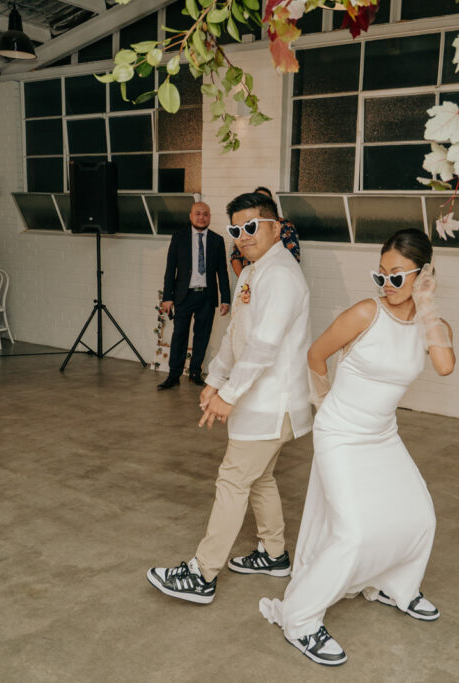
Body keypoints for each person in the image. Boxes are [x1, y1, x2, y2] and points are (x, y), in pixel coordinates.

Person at [258, 228, 456, 666]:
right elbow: (315, 354)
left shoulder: (432, 325)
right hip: (341, 433)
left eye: (397, 275)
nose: (386, 284)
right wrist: (324, 401)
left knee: (420, 514)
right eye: (380, 274)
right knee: (353, 533)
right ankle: (301, 620)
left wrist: (426, 304)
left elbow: (444, 366)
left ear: (423, 275)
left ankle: (397, 587)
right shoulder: (366, 313)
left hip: (382, 434)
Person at [147, 192, 312, 605]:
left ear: (276, 225)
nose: (242, 237)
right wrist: (216, 379)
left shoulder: (282, 276)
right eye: (236, 230)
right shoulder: (256, 271)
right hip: (258, 402)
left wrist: (230, 393)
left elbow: (264, 346)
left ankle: (203, 574)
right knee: (260, 478)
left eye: (251, 227)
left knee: (234, 480)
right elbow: (238, 335)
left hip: (271, 403)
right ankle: (274, 554)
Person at [157, 202, 232, 389]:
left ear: (209, 217)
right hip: (184, 295)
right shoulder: (179, 237)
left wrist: (225, 299)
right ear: (191, 216)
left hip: (207, 297)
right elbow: (170, 270)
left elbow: (222, 272)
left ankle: (195, 372)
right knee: (179, 336)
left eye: (206, 214)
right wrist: (167, 297)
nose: (202, 217)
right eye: (198, 213)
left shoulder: (217, 240)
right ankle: (174, 375)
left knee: (202, 336)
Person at [230, 187, 299, 276]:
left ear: (276, 228)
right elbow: (235, 256)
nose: (244, 237)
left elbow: (294, 255)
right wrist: (245, 280)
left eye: (252, 227)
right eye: (236, 230)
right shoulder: (242, 230)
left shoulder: (280, 271)